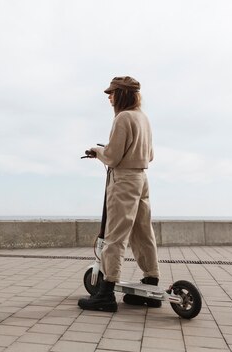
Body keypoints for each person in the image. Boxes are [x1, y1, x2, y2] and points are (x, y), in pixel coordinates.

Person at [78, 76, 160, 312]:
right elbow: (151, 155)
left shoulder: (123, 118)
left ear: (122, 94)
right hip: (142, 178)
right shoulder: (143, 118)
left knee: (115, 235)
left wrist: (97, 150)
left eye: (112, 93)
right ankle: (151, 284)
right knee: (143, 232)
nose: (109, 97)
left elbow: (112, 157)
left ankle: (106, 292)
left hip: (123, 179)